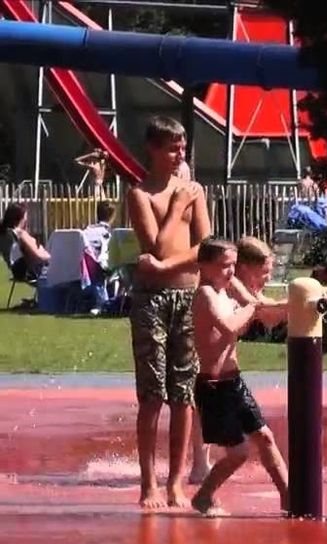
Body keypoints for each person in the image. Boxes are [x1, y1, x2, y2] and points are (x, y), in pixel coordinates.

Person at [126, 116, 210, 509]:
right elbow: (157, 247)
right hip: (152, 303)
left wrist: (165, 267)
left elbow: (206, 249)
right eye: (173, 148)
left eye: (183, 147)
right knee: (153, 395)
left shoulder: (195, 191)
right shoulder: (140, 194)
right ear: (154, 150)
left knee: (184, 393)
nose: (180, 155)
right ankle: (149, 483)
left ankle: (177, 481)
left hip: (187, 299)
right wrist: (177, 207)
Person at [189, 239, 289, 517]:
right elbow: (229, 325)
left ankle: (288, 496)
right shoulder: (206, 294)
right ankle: (204, 496)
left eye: (233, 265)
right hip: (214, 386)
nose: (230, 272)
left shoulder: (228, 287)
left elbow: (259, 303)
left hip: (234, 381)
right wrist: (252, 308)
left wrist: (294, 302)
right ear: (204, 267)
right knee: (238, 453)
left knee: (265, 437)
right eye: (223, 266)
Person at [1, 203, 50, 283]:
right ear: (20, 218)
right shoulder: (20, 233)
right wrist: (52, 258)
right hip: (30, 271)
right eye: (25, 217)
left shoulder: (4, 234)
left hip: (16, 271)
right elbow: (38, 256)